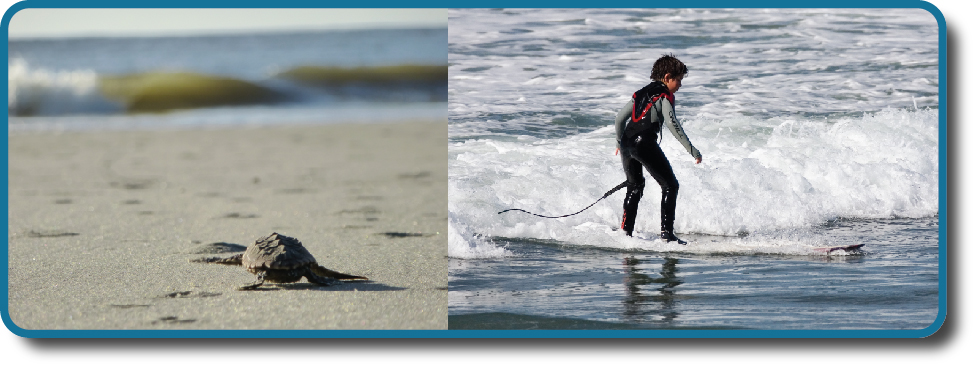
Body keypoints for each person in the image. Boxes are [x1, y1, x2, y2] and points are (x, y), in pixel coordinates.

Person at [614, 54, 702, 244]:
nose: (680, 85)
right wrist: (692, 150)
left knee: (634, 186)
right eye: (678, 80)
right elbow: (672, 123)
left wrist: (618, 143)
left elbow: (620, 118)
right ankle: (667, 235)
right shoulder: (664, 95)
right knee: (671, 186)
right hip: (643, 142)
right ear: (668, 77)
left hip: (627, 143)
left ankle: (625, 233)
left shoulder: (639, 93)